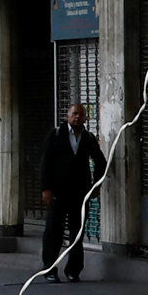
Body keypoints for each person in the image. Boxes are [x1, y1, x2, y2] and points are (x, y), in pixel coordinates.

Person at [38, 102, 104, 281]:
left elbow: (100, 162)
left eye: (81, 115)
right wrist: (46, 189)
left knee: (77, 232)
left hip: (80, 195)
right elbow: (46, 163)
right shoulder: (56, 135)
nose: (77, 117)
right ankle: (49, 270)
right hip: (58, 193)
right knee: (54, 232)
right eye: (74, 114)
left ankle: (73, 270)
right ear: (67, 116)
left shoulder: (88, 138)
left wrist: (95, 186)